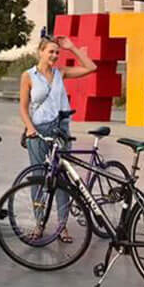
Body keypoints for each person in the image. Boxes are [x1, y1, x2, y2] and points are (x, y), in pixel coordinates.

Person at [19, 35, 96, 243]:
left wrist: (72, 48)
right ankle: (39, 224)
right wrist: (29, 129)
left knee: (62, 177)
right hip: (38, 129)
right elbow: (23, 107)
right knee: (39, 176)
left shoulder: (61, 73)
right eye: (50, 51)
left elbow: (91, 67)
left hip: (60, 129)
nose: (54, 55)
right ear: (41, 52)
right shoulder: (28, 76)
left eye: (56, 52)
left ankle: (62, 225)